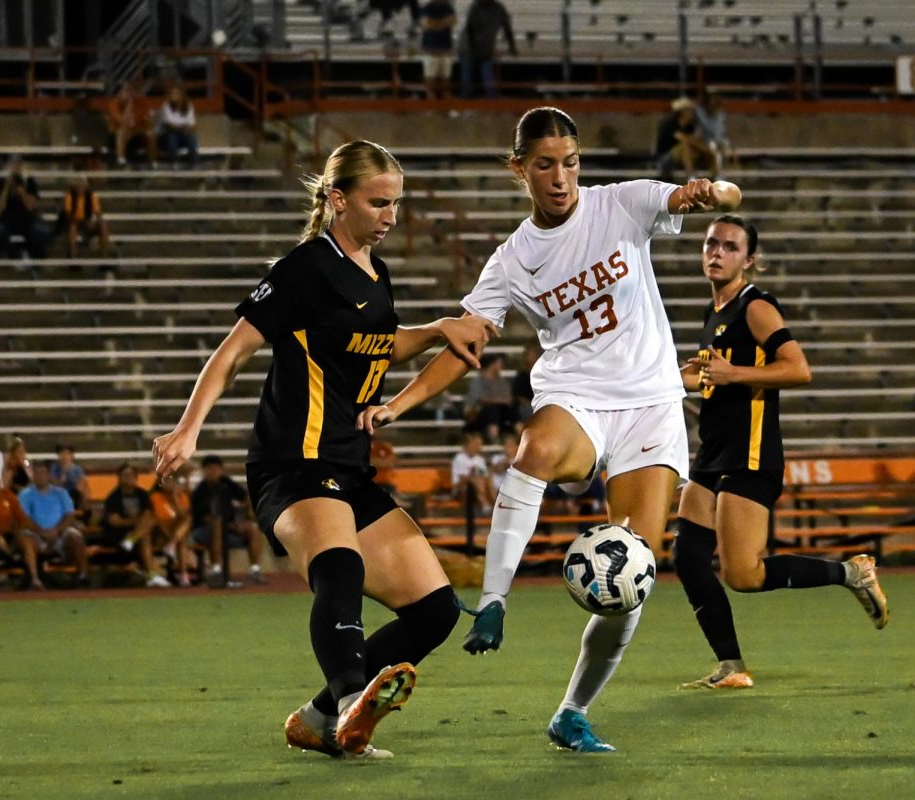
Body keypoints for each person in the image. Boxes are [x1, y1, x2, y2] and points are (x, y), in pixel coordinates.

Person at [360, 107, 742, 751]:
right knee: (535, 446)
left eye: (569, 162)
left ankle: (571, 712)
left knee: (632, 576)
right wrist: (399, 404)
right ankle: (494, 599)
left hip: (651, 402)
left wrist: (711, 191)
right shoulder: (512, 260)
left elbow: (721, 197)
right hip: (577, 395)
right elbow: (463, 344)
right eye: (544, 164)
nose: (560, 176)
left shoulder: (620, 205)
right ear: (520, 170)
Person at [151, 140, 497, 759]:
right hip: (293, 462)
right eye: (378, 202)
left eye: (397, 203)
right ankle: (348, 704)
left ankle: (317, 718)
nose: (390, 215)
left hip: (348, 465)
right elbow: (232, 353)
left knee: (436, 612)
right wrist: (188, 428)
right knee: (340, 570)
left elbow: (380, 344)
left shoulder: (373, 270)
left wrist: (441, 327)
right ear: (338, 199)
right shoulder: (305, 268)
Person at [673, 216, 888, 690]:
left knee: (743, 575)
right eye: (711, 242)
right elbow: (711, 378)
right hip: (713, 454)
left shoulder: (756, 306)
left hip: (750, 457)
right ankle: (731, 666)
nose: (717, 252)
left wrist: (735, 376)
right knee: (687, 557)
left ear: (748, 260)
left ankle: (851, 572)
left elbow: (798, 369)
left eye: (730, 246)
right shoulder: (715, 315)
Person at [189, 455, 265, 586]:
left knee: (252, 528)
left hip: (229, 529)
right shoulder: (200, 491)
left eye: (216, 469)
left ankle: (254, 570)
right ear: (204, 471)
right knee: (217, 525)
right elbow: (204, 519)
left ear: (221, 470)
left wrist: (247, 516)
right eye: (210, 469)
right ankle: (216, 570)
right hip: (204, 531)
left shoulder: (227, 484)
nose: (213, 472)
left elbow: (245, 497)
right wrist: (230, 526)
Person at [18, 462, 90, 588]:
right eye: (37, 473)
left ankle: (82, 576)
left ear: (49, 475)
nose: (40, 476)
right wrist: (41, 531)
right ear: (33, 476)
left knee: (76, 537)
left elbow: (69, 515)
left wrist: (57, 530)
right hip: (36, 534)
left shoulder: (61, 493)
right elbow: (24, 518)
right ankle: (35, 580)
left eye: (43, 473)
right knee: (26, 540)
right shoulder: (25, 494)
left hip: (60, 533)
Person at [98, 463, 170, 588]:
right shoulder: (113, 497)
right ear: (119, 477)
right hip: (118, 534)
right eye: (126, 475)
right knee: (146, 531)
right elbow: (115, 521)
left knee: (149, 528)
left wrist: (139, 525)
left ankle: (132, 541)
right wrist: (137, 522)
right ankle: (151, 574)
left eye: (132, 475)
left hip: (138, 533)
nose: (129, 478)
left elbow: (147, 515)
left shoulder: (142, 494)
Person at [458, 0, 517, 98]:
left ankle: (491, 99)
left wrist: (512, 47)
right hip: (468, 47)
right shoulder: (475, 7)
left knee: (487, 73)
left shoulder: (499, 8)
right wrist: (475, 50)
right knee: (468, 75)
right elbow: (470, 29)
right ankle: (467, 100)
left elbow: (507, 28)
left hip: (485, 48)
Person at [0, 158, 49, 259]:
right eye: (13, 165)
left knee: (41, 236)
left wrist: (22, 191)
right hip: (7, 222)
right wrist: (7, 187)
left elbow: (30, 206)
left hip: (27, 221)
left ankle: (28, 257)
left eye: (18, 165)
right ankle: (18, 256)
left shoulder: (30, 182)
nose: (16, 168)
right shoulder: (2, 183)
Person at [655, 97, 718, 183]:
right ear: (682, 112)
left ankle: (717, 176)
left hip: (683, 158)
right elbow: (685, 139)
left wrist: (707, 149)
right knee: (685, 145)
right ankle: (691, 176)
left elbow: (694, 141)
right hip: (665, 158)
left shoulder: (690, 126)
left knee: (700, 149)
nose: (692, 113)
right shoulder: (669, 124)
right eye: (689, 110)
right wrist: (705, 148)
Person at [57, 175, 111, 258]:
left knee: (103, 225)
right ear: (74, 186)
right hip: (73, 222)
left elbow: (98, 212)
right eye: (77, 185)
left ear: (86, 186)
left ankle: (104, 258)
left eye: (82, 185)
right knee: (73, 227)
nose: (79, 187)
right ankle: (73, 259)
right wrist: (84, 221)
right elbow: (68, 215)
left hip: (87, 222)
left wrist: (98, 220)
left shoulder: (92, 196)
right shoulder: (69, 196)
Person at [464, 352, 514, 441]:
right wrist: (500, 401)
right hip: (478, 412)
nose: (501, 366)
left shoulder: (501, 381)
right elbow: (481, 399)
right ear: (492, 364)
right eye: (499, 363)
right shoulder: (478, 380)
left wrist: (501, 402)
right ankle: (493, 439)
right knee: (492, 411)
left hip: (499, 412)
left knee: (512, 411)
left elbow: (508, 398)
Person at [105, 82, 156, 167]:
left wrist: (147, 123)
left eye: (131, 91)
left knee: (150, 134)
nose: (129, 93)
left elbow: (148, 122)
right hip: (117, 132)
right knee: (122, 131)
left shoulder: (140, 102)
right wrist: (128, 104)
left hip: (137, 131)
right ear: (119, 93)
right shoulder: (114, 104)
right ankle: (121, 160)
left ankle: (153, 163)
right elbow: (122, 122)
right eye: (126, 90)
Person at [420, 0, 457, 99]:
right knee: (430, 80)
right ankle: (431, 106)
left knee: (446, 80)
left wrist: (435, 23)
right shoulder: (427, 7)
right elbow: (426, 23)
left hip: (445, 50)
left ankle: (444, 107)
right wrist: (443, 23)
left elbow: (453, 21)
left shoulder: (448, 7)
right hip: (430, 50)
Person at [450, 429, 493, 513]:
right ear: (469, 444)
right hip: (460, 489)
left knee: (487, 481)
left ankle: (488, 504)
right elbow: (462, 479)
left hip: (477, 488)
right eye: (476, 444)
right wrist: (473, 474)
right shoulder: (459, 458)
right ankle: (485, 503)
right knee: (476, 480)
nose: (478, 447)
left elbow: (485, 475)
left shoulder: (480, 459)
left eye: (480, 444)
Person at [156, 86, 198, 166]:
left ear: (181, 95)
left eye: (176, 94)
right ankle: (174, 163)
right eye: (171, 94)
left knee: (191, 137)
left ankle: (195, 163)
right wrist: (184, 126)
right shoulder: (166, 106)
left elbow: (192, 125)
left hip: (182, 135)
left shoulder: (188, 105)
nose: (173, 96)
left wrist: (180, 127)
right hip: (165, 137)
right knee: (172, 137)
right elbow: (170, 125)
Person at [50, 444, 91, 517]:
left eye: (67, 454)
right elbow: (54, 482)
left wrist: (77, 489)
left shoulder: (77, 469)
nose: (65, 456)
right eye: (62, 453)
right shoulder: (55, 468)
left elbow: (82, 482)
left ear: (72, 456)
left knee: (85, 491)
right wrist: (62, 476)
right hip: (60, 493)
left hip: (74, 494)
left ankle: (85, 515)